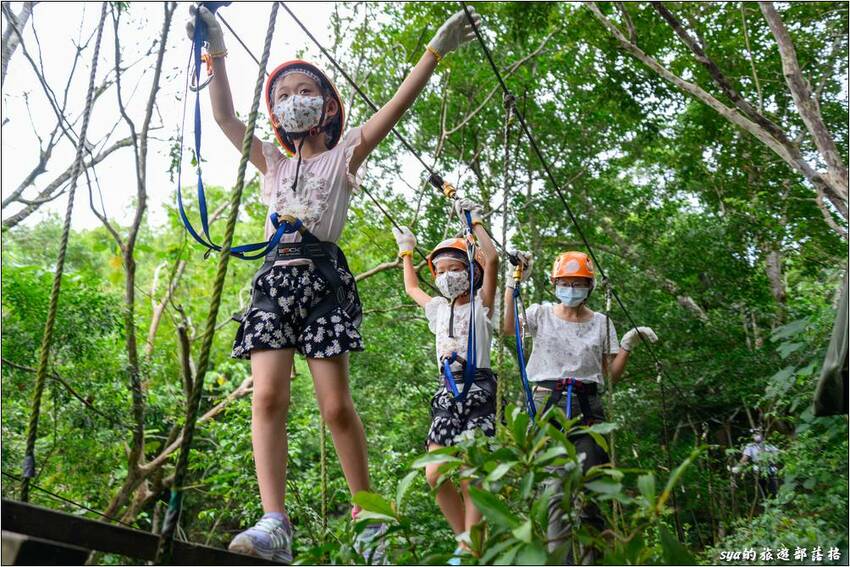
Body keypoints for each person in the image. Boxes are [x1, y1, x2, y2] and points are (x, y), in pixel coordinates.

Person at [184, 5, 482, 563]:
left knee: (336, 408)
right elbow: (225, 117)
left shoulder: (345, 155)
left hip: (321, 282)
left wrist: (433, 53)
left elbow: (396, 107)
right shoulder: (270, 161)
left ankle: (367, 514)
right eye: (285, 93)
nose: (294, 97)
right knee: (267, 395)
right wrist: (216, 50)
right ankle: (275, 521)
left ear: (325, 108)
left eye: (306, 90)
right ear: (277, 112)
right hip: (276, 279)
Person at [503, 250, 658, 563]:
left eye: (579, 283)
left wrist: (626, 347)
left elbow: (608, 376)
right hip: (549, 402)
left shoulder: (601, 323)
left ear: (590, 287)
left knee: (590, 487)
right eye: (565, 282)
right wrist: (512, 284)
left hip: (587, 405)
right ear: (554, 283)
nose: (571, 288)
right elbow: (508, 329)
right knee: (554, 491)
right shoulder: (539, 314)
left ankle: (590, 560)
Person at [392, 198, 499, 563]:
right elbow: (411, 289)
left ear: (472, 271)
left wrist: (475, 224)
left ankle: (472, 548)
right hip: (446, 389)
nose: (446, 276)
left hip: (478, 385)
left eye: (455, 268)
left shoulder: (483, 305)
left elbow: (494, 260)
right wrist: (406, 252)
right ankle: (464, 539)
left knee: (472, 473)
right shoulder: (439, 309)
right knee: (435, 474)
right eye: (439, 271)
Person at [733, 429, 780, 499]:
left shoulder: (767, 445)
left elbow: (778, 454)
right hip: (758, 470)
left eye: (758, 434)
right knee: (762, 490)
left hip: (770, 469)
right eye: (754, 434)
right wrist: (738, 467)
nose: (756, 436)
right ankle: (765, 502)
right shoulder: (750, 446)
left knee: (774, 489)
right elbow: (744, 458)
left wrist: (772, 459)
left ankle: (775, 502)